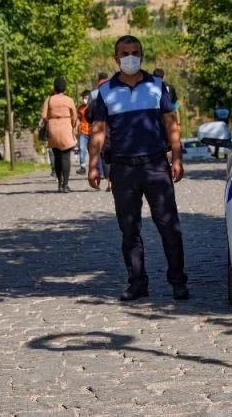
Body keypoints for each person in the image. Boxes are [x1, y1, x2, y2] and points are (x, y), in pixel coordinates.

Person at [87, 35, 189, 301]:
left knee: (169, 227)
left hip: (156, 166)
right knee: (129, 230)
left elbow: (171, 124)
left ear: (142, 56)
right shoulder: (105, 92)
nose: (130, 57)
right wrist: (93, 165)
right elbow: (97, 130)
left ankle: (178, 281)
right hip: (123, 169)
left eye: (135, 52)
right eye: (124, 53)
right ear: (116, 58)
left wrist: (177, 158)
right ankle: (137, 282)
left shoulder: (157, 86)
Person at [40, 78, 78, 193]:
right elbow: (74, 117)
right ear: (64, 88)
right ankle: (65, 185)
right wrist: (73, 126)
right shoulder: (69, 100)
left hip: (53, 128)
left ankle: (59, 184)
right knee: (65, 157)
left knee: (57, 157)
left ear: (54, 87)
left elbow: (44, 115)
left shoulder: (49, 99)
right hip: (66, 126)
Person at [76, 89, 92, 174]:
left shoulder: (93, 106)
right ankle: (82, 167)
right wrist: (76, 128)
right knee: (82, 149)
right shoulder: (80, 108)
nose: (85, 99)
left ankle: (94, 167)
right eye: (84, 98)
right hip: (83, 132)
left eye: (86, 98)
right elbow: (78, 119)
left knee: (92, 150)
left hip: (92, 132)